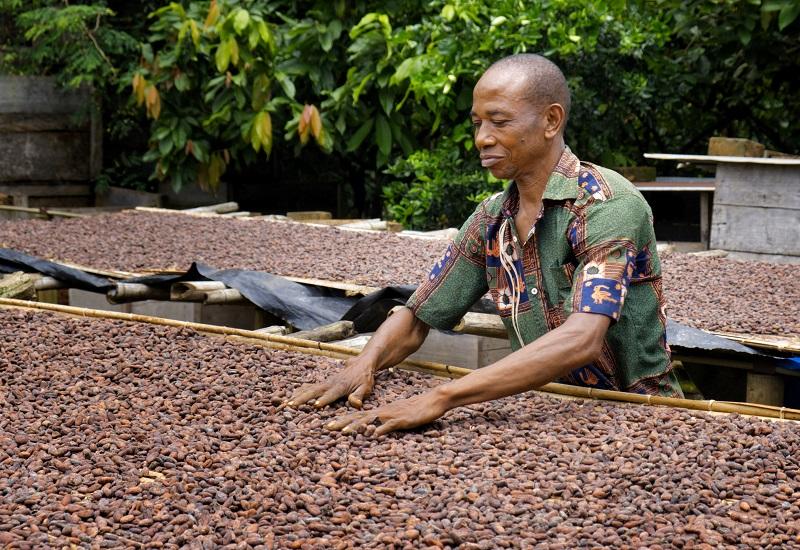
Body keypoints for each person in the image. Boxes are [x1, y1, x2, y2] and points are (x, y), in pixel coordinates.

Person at [286, 53, 683, 436]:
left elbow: (582, 338)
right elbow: (419, 314)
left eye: (499, 122)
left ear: (551, 120)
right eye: (477, 123)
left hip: (640, 414)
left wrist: (442, 397)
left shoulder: (606, 205)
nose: (481, 139)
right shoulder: (492, 219)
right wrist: (365, 363)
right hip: (547, 411)